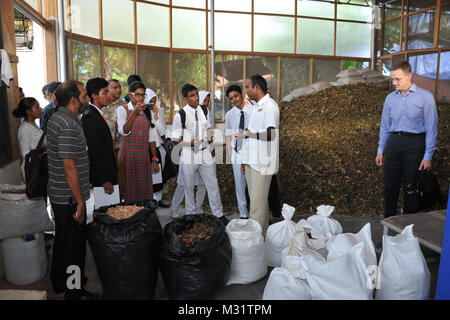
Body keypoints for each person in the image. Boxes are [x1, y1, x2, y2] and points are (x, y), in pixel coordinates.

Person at [47, 80, 99, 300]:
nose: (87, 98)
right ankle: (74, 291)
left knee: (62, 241)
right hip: (69, 197)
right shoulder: (68, 124)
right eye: (84, 95)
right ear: (73, 100)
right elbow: (69, 165)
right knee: (74, 249)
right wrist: (80, 201)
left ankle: (59, 282)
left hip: (60, 195)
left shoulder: (57, 117)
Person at [375, 61, 438, 218]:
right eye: (392, 79)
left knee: (411, 188)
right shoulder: (390, 99)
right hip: (394, 144)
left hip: (415, 145)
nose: (394, 83)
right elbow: (384, 127)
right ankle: (388, 223)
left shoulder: (426, 97)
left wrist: (428, 157)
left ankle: (408, 227)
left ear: (409, 76)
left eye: (398, 79)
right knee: (390, 187)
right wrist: (380, 150)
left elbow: (432, 129)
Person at [171, 84, 228, 225]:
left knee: (212, 184)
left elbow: (208, 128)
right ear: (185, 98)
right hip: (189, 154)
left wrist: (212, 145)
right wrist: (189, 143)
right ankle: (191, 216)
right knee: (189, 187)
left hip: (205, 152)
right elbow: (175, 138)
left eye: (196, 94)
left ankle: (218, 214)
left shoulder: (203, 110)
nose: (196, 97)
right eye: (192, 95)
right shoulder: (180, 115)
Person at [240, 75, 279, 235]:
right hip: (252, 161)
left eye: (248, 87)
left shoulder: (270, 106)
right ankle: (262, 236)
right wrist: (244, 160)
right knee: (258, 204)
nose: (246, 90)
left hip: (262, 164)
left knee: (256, 206)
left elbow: (271, 134)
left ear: (256, 87)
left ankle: (253, 240)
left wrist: (251, 134)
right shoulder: (256, 107)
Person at [116, 81, 159, 202]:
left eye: (143, 95)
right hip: (127, 156)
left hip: (142, 156)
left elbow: (152, 138)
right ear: (130, 94)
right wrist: (134, 113)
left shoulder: (147, 111)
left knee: (143, 190)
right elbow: (123, 131)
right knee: (128, 190)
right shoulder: (123, 110)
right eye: (138, 94)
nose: (141, 97)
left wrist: (154, 159)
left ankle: (143, 215)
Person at [81, 78, 118, 201]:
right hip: (103, 177)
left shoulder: (96, 113)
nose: (109, 96)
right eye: (105, 92)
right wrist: (105, 180)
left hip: (107, 173)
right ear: (94, 96)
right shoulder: (91, 117)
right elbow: (95, 151)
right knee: (107, 212)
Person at [225, 85, 253, 219]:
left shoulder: (253, 111)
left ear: (241, 94)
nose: (234, 100)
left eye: (236, 96)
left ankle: (255, 212)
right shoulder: (229, 115)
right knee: (239, 185)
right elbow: (228, 135)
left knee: (253, 184)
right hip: (237, 152)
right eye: (231, 98)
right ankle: (243, 214)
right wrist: (231, 155)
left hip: (252, 152)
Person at [144, 88, 170, 208]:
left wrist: (155, 115)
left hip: (158, 146)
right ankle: (150, 199)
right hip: (146, 148)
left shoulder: (156, 112)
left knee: (159, 175)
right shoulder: (141, 113)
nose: (152, 104)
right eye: (150, 101)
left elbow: (162, 131)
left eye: (154, 101)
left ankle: (158, 199)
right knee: (149, 177)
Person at [12, 97, 45, 181]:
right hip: (31, 169)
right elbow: (25, 153)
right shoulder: (25, 128)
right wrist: (43, 151)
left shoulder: (33, 125)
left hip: (38, 167)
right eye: (37, 107)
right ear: (28, 111)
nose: (41, 109)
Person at [102, 79, 127, 151]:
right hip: (103, 146)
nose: (119, 90)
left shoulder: (125, 105)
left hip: (119, 148)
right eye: (115, 88)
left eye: (119, 87)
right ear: (107, 89)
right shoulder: (102, 104)